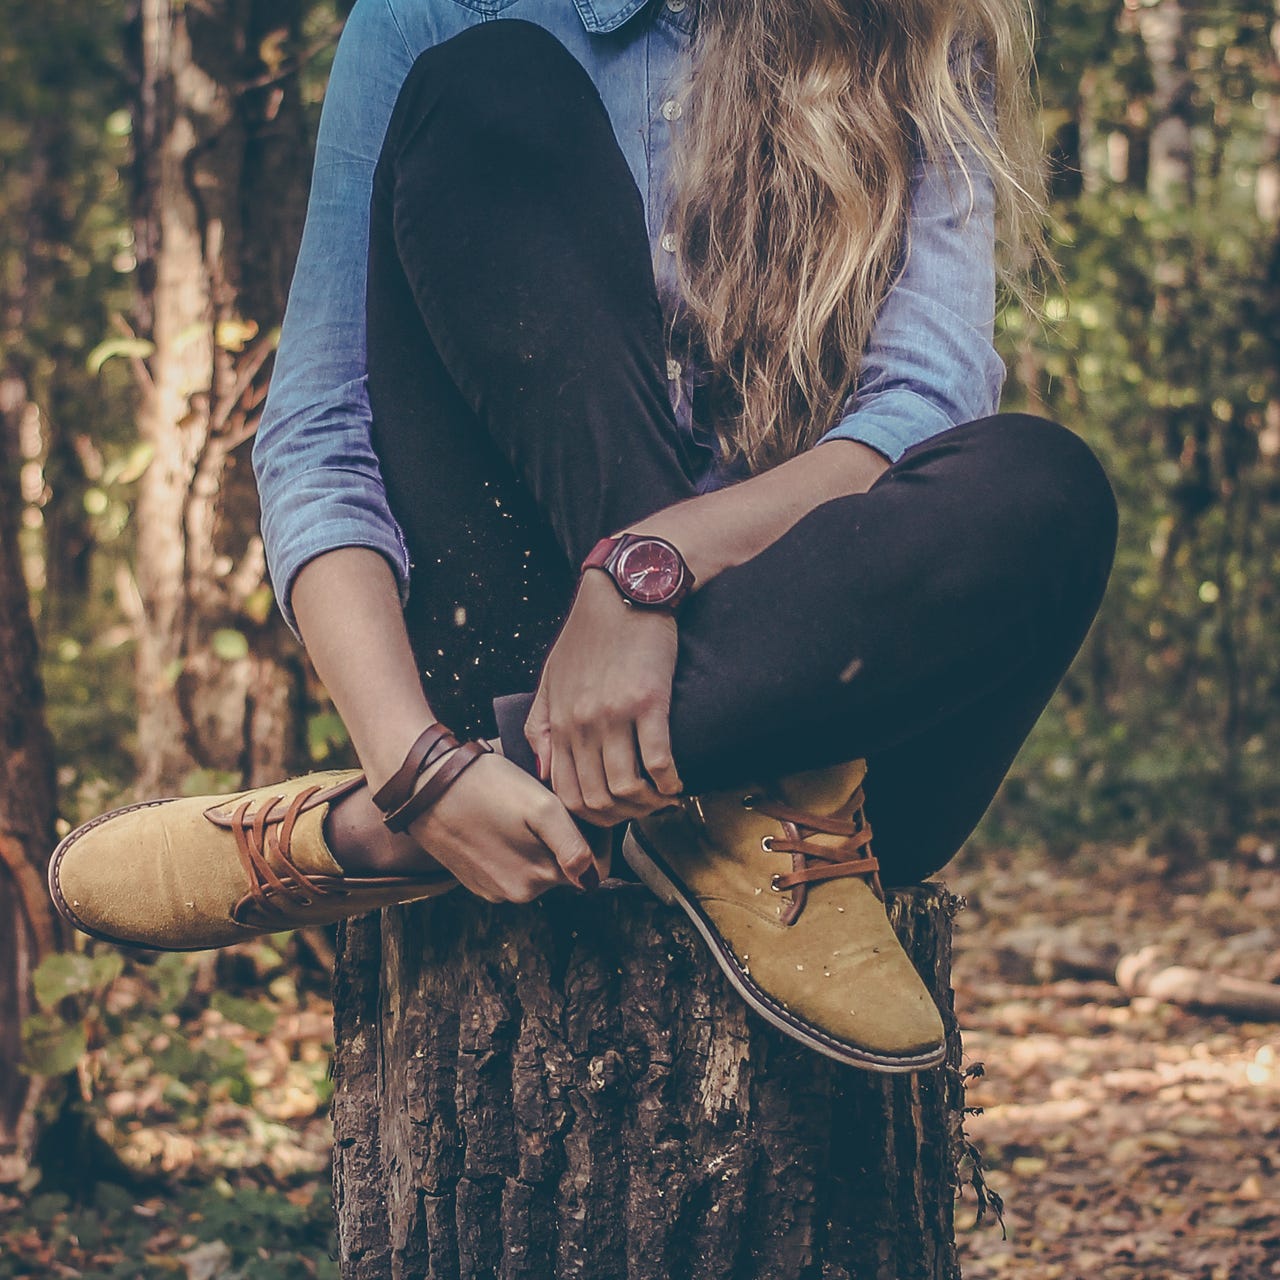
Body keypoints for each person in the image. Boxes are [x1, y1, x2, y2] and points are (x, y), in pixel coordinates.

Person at [49, 0, 1117, 1073]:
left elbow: (924, 401)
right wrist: (410, 754)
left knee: (1044, 487)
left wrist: (646, 572)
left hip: (820, 721)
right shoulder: (427, 10)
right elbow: (323, 432)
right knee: (490, 90)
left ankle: (369, 837)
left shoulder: (917, 20)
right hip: (528, 644)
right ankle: (648, 798)